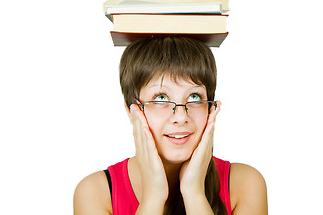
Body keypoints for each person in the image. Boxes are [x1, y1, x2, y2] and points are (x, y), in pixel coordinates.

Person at [73, 36, 268, 215]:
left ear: (211, 108)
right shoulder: (96, 192)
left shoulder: (245, 183)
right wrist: (153, 196)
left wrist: (194, 192)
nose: (181, 117)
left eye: (194, 97)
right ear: (131, 111)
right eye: (160, 98)